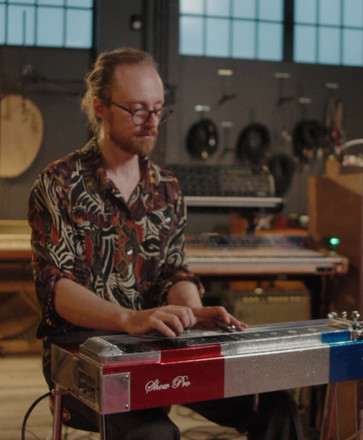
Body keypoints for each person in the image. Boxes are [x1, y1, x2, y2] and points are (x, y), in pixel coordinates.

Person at [28, 47, 301, 440]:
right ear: (100, 107)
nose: (152, 123)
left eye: (158, 110)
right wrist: (129, 319)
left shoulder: (167, 187)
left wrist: (192, 311)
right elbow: (57, 289)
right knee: (154, 433)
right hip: (82, 351)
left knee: (275, 404)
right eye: (138, 110)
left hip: (158, 347)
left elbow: (174, 271)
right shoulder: (57, 183)